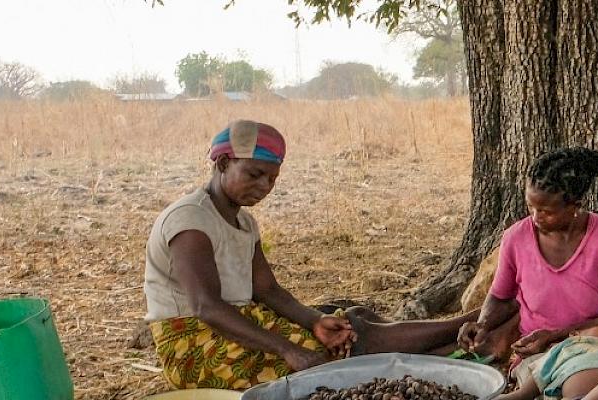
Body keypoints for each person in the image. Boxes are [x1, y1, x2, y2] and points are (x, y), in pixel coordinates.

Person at [144, 120, 468, 390]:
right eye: (254, 174)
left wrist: (315, 321)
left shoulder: (243, 221)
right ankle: (466, 331)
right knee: (335, 365)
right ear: (224, 163)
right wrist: (288, 350)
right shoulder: (190, 220)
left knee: (348, 334)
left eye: (272, 179)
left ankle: (465, 339)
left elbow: (267, 290)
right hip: (196, 346)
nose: (264, 186)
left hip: (240, 324)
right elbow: (206, 307)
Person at [455, 148, 598, 397]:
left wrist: (556, 335)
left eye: (546, 211)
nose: (535, 217)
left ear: (576, 205)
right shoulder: (516, 238)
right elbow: (500, 298)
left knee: (584, 382)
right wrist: (482, 324)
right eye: (530, 207)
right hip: (537, 355)